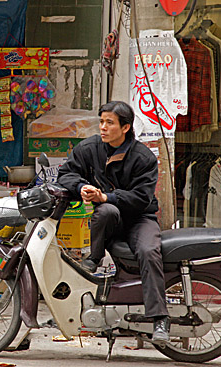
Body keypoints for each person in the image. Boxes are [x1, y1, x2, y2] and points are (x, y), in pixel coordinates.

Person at [57, 101, 169, 343]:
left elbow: (142, 198)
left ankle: (160, 320)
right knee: (106, 211)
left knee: (149, 252)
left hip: (140, 218)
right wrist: (81, 186)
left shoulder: (144, 157)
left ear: (125, 127)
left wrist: (106, 195)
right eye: (101, 122)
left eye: (110, 123)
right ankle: (93, 259)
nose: (103, 128)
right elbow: (66, 173)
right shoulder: (90, 148)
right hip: (110, 219)